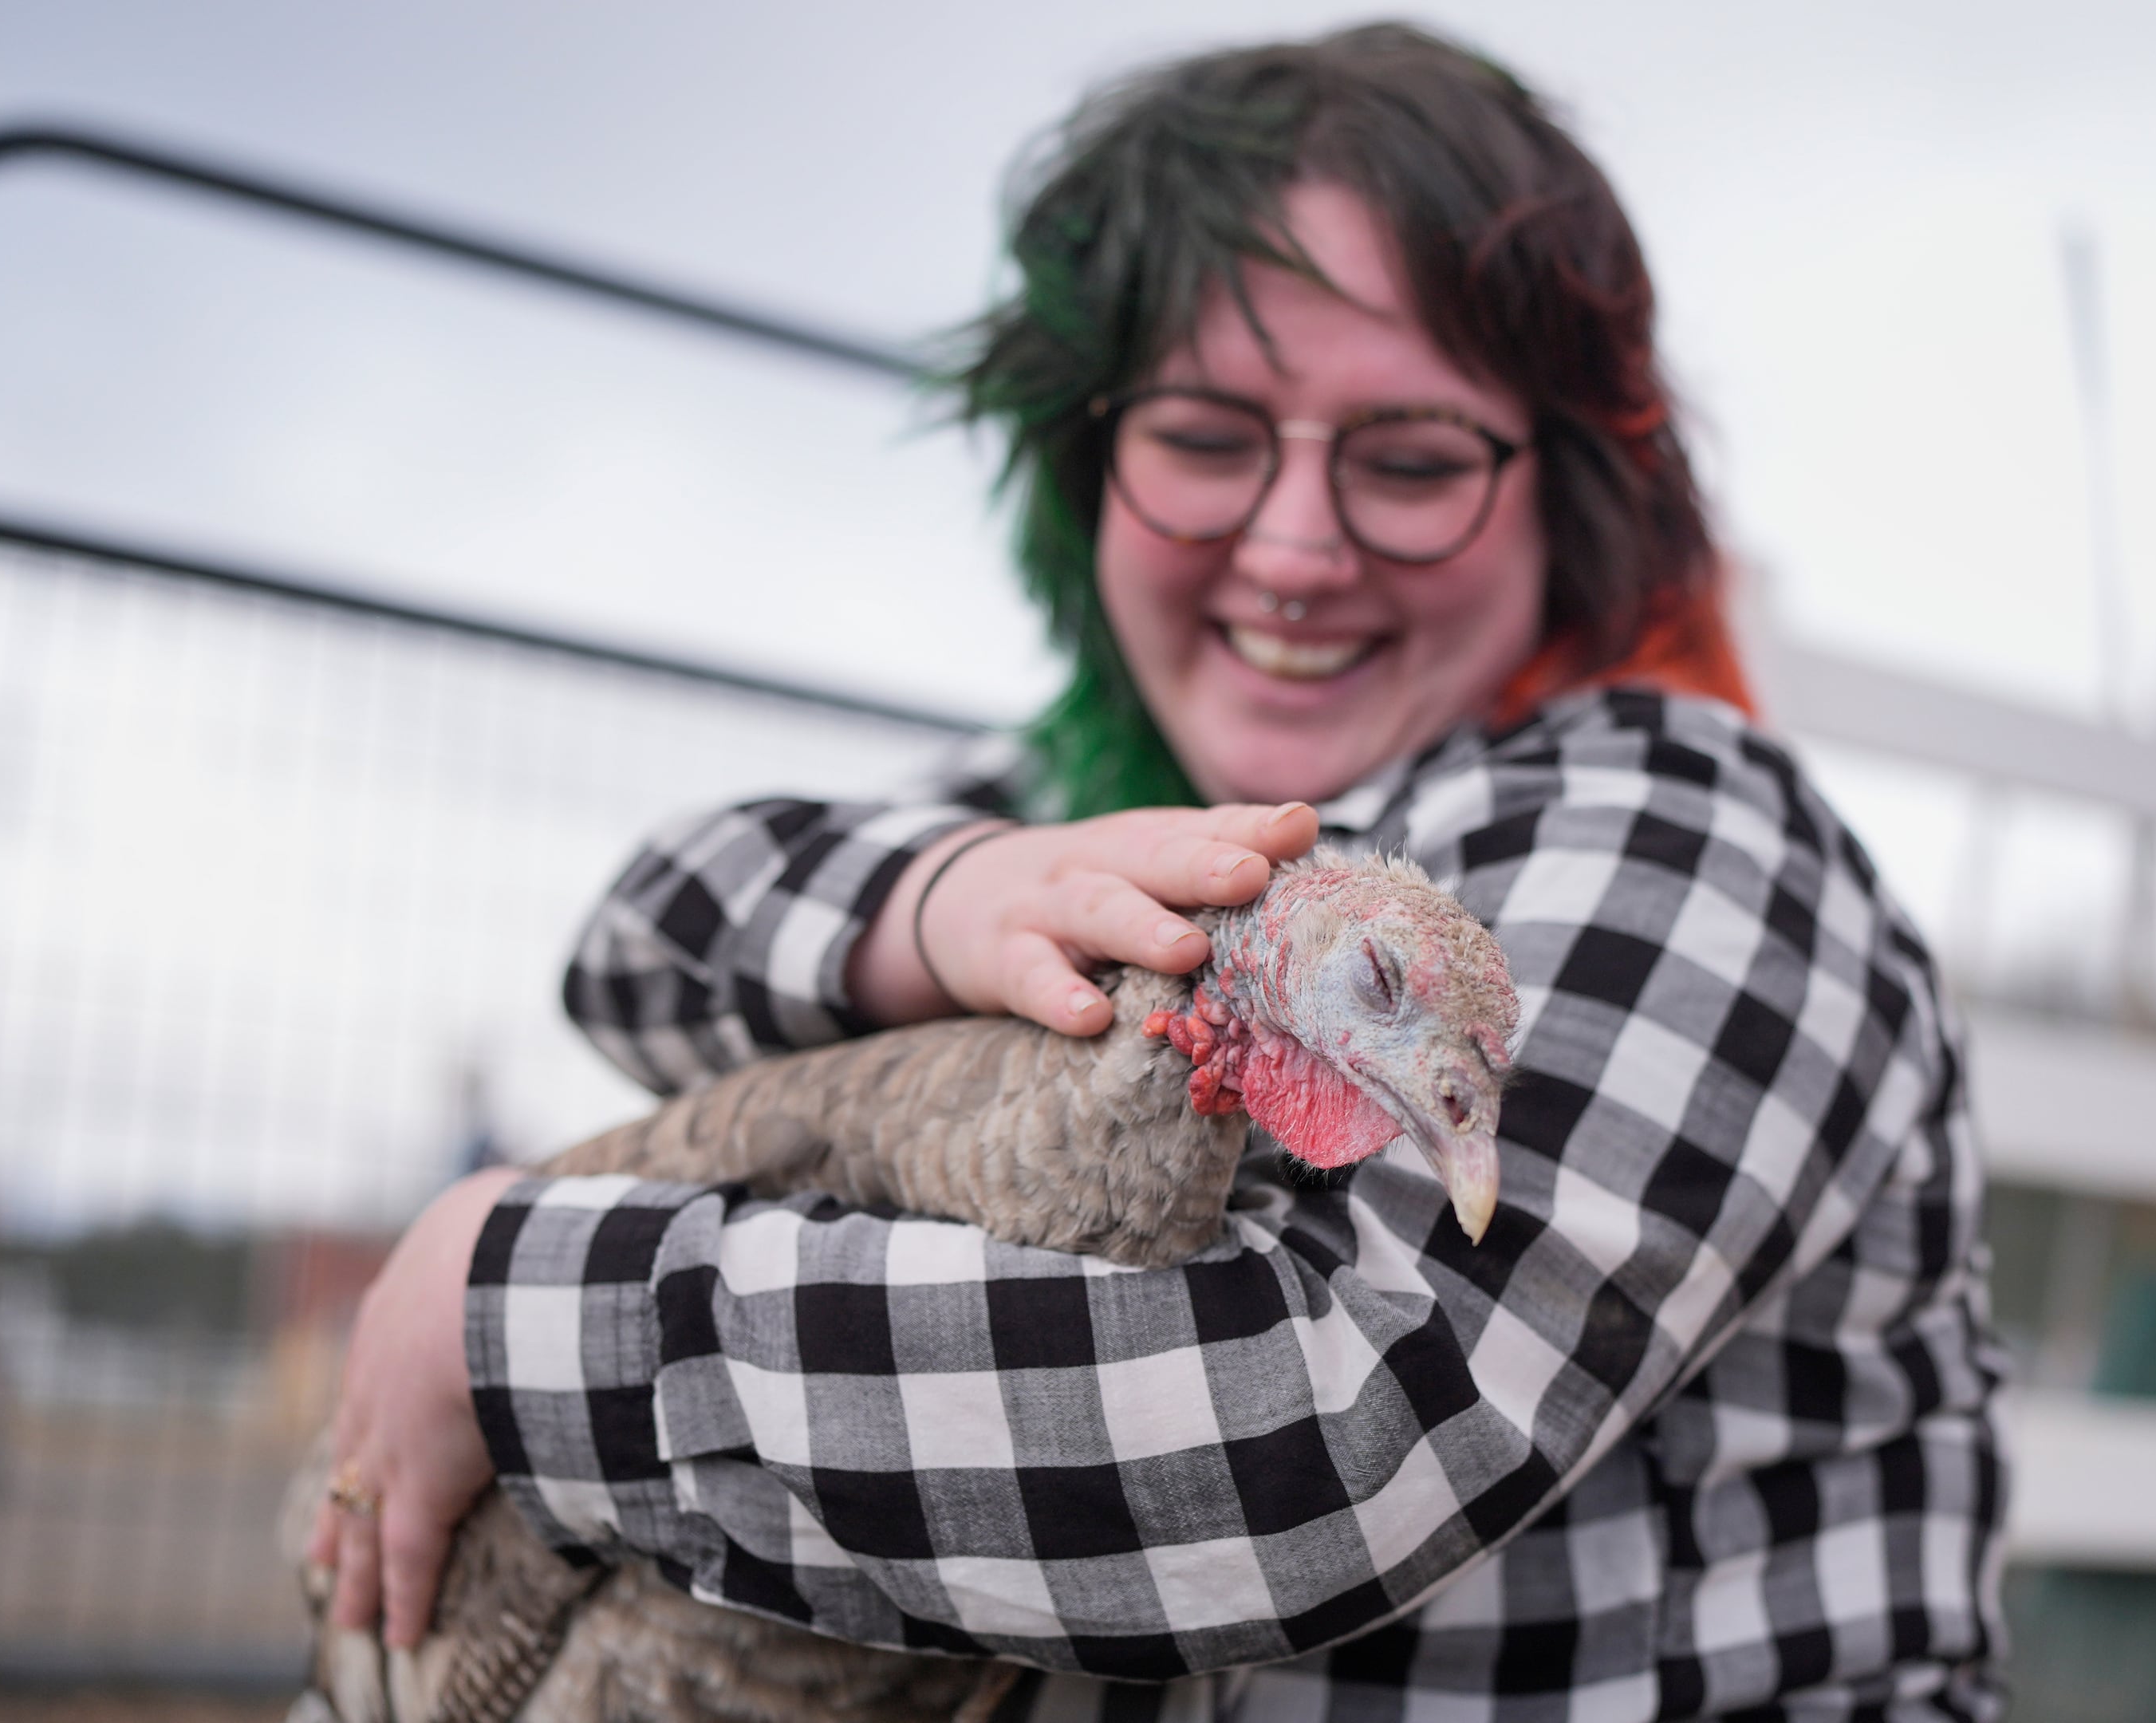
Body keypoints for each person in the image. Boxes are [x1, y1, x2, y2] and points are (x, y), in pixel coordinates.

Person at [313, 24, 2006, 1717]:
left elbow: (1327, 1432)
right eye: (1205, 437)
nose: (1292, 550)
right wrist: (944, 900)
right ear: (1085, 465)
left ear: (1563, 492)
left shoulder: (1683, 837)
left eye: (1412, 462)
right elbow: (637, 945)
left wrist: (520, 1316)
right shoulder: (1067, 814)